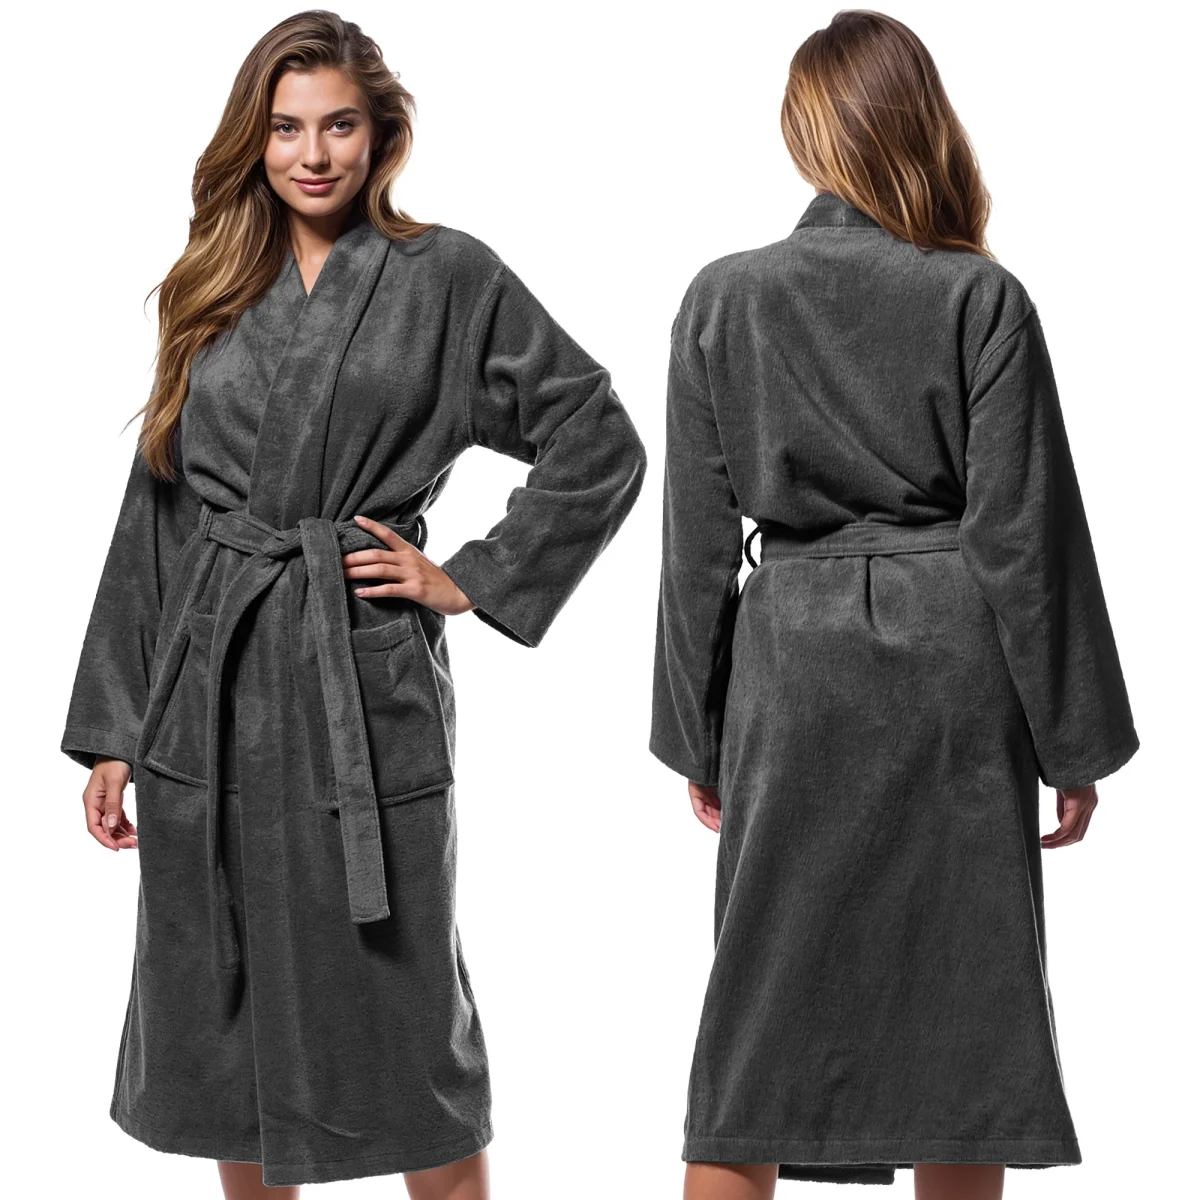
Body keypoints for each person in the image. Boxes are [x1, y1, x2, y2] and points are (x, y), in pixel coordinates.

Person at [61, 11, 646, 1198]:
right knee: (227, 1024)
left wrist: (473, 574)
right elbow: (157, 511)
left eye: (338, 126)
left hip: (358, 686)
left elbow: (596, 434)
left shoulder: (449, 276)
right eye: (286, 129)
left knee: (408, 1026)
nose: (313, 154)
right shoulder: (212, 282)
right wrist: (116, 729)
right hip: (212, 691)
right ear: (255, 138)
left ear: (381, 135)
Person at [649, 11, 1139, 1200]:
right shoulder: (981, 296)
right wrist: (1073, 743)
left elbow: (697, 549)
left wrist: (698, 735)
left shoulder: (723, 298)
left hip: (790, 677)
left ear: (806, 133)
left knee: (756, 1027)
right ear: (923, 121)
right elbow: (1024, 538)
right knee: (963, 1026)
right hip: (953, 675)